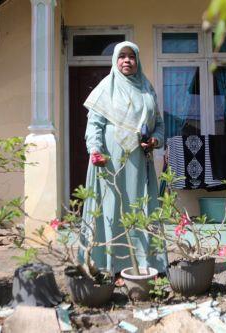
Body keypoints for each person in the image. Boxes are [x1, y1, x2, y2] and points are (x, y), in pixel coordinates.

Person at [81, 41, 167, 276]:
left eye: (131, 56)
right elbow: (94, 125)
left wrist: (154, 141)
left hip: (140, 162)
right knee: (111, 208)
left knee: (139, 209)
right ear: (115, 61)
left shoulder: (146, 90)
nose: (127, 60)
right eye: (122, 56)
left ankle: (143, 265)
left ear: (137, 61)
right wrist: (95, 149)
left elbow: (159, 125)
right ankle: (107, 266)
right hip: (109, 160)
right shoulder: (104, 89)